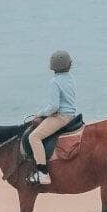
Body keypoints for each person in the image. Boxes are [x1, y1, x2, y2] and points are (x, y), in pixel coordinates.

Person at [27, 49, 78, 186]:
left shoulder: (54, 82)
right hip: (72, 115)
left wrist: (40, 114)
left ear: (53, 66)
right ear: (69, 65)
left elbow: (54, 107)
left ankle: (42, 173)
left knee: (34, 137)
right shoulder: (70, 78)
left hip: (61, 117)